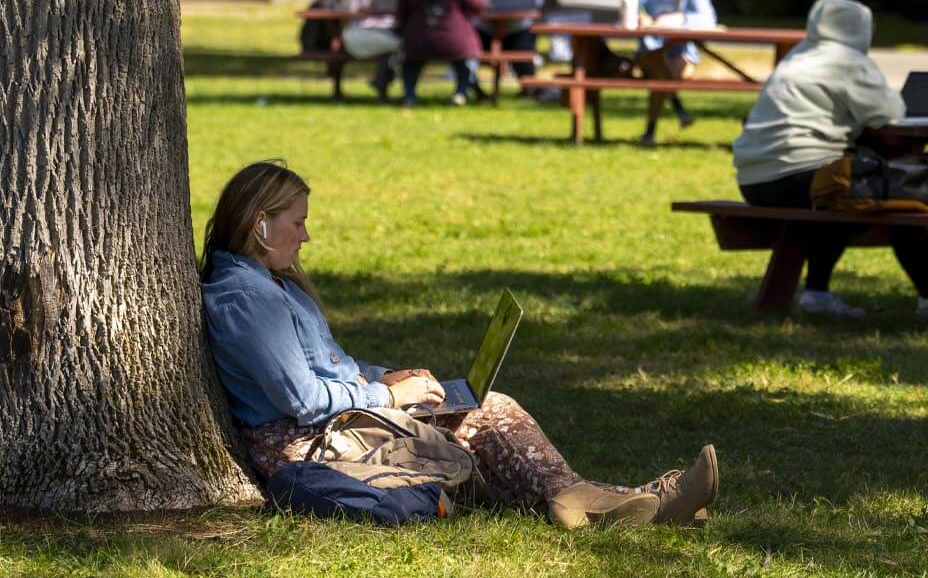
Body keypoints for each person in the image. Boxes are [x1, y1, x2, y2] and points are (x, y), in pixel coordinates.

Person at [200, 161, 719, 528]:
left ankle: (605, 499)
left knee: (473, 405)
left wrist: (383, 376)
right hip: (306, 441)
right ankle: (606, 500)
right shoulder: (247, 299)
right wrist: (388, 400)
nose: (306, 236)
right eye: (298, 222)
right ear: (260, 225)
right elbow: (304, 400)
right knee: (486, 412)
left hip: (330, 422)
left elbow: (325, 365)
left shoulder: (270, 285)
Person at [731, 0, 928, 323]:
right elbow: (889, 113)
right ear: (860, 29)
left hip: (756, 181)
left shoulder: (798, 55)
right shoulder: (848, 61)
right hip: (806, 176)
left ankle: (818, 292)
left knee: (849, 196)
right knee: (902, 199)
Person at [632, 0, 716, 147]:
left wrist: (681, 18)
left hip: (681, 49)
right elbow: (631, 8)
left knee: (670, 74)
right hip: (650, 50)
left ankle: (650, 132)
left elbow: (709, 20)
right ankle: (675, 111)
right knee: (659, 67)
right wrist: (641, 18)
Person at [396, 0, 485, 106]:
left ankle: (409, 95)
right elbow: (477, 3)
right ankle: (460, 93)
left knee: (411, 63)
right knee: (463, 60)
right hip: (453, 40)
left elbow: (401, 12)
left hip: (418, 39)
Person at [339, 0, 404, 100]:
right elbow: (347, 9)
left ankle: (381, 81)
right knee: (398, 46)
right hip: (362, 31)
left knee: (399, 45)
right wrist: (362, 8)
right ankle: (381, 82)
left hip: (387, 30)